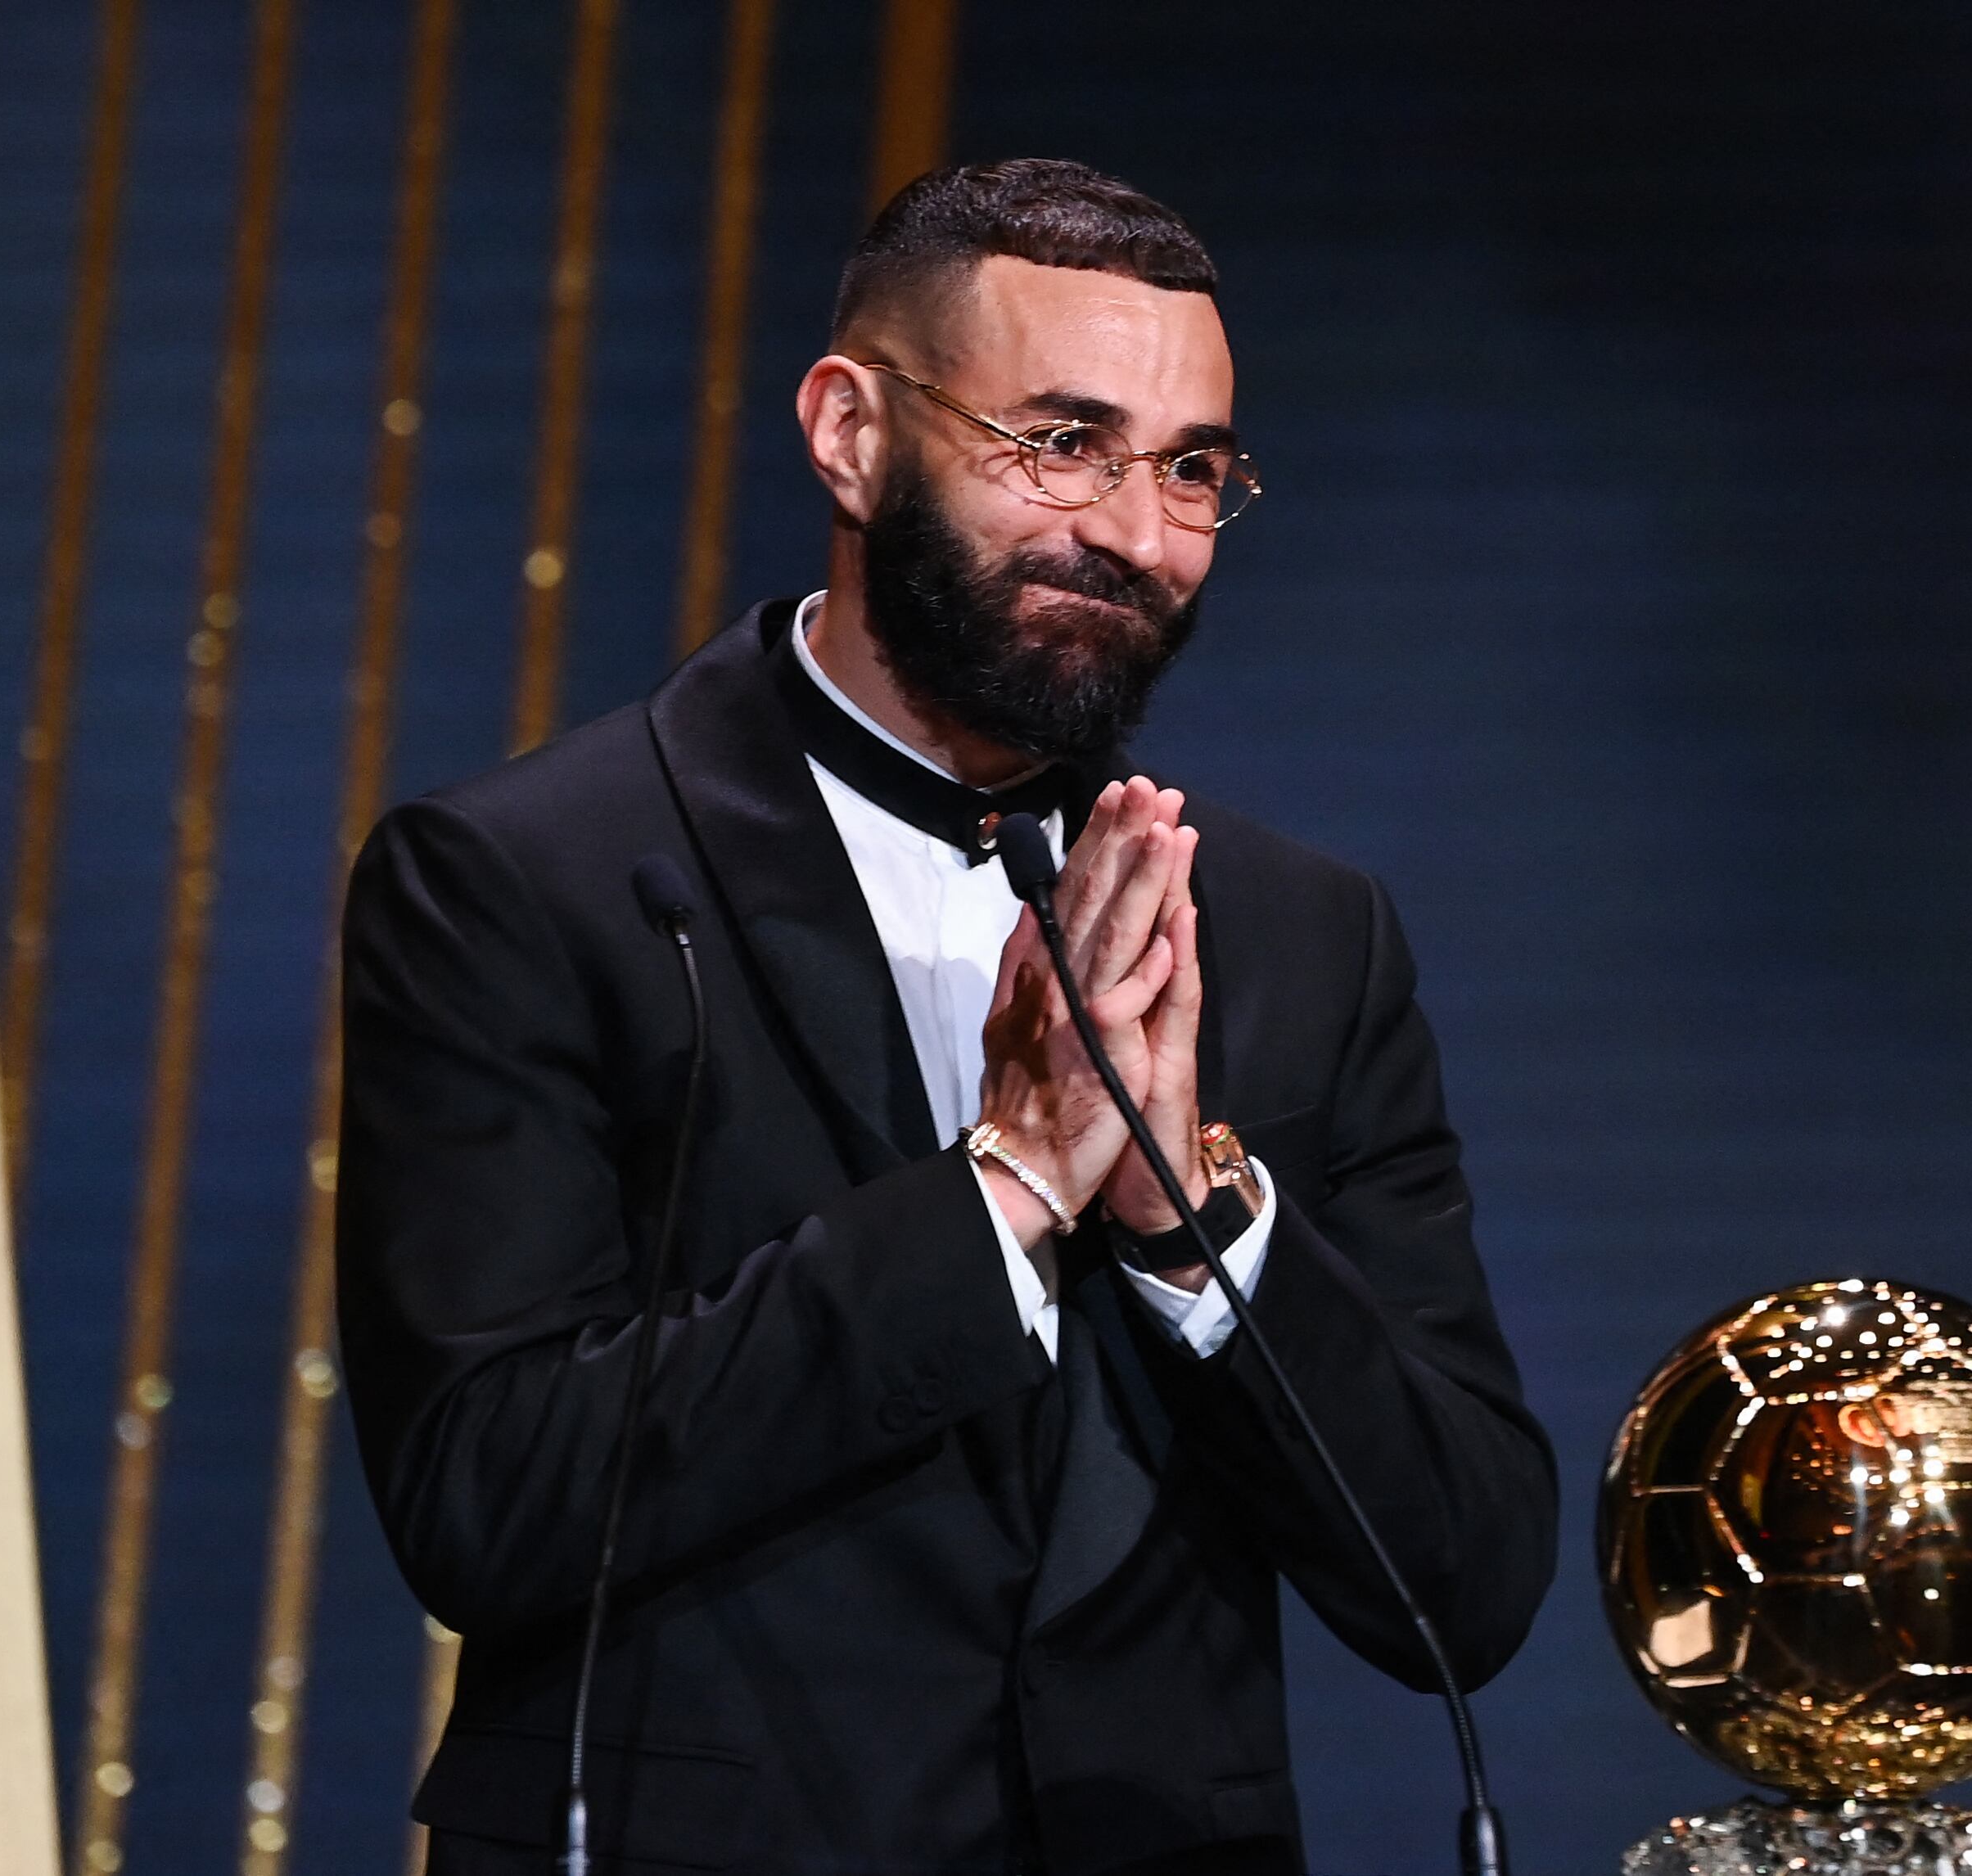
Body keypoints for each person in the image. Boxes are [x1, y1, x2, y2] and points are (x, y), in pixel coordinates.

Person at [337, 159, 1555, 1876]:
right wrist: (1008, 1188)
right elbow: (489, 1497)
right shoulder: (533, 879)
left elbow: (1467, 1579)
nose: (1135, 535)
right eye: (1060, 443)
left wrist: (1191, 1222)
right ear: (850, 433)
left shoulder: (1301, 935)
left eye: (1190, 470)